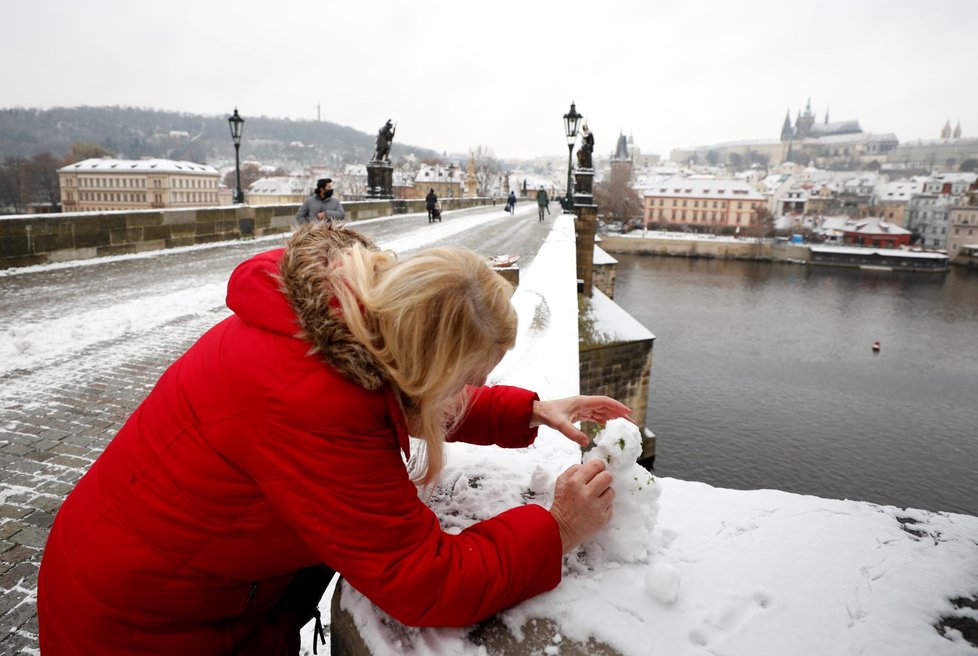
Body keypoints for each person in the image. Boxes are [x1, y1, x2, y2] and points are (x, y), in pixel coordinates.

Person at [37, 221, 630, 655]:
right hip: (140, 628)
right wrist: (558, 528)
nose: (473, 388)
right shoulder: (312, 404)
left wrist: (526, 412)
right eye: (470, 377)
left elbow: (410, 392)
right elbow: (425, 581)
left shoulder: (339, 319)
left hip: (134, 572)